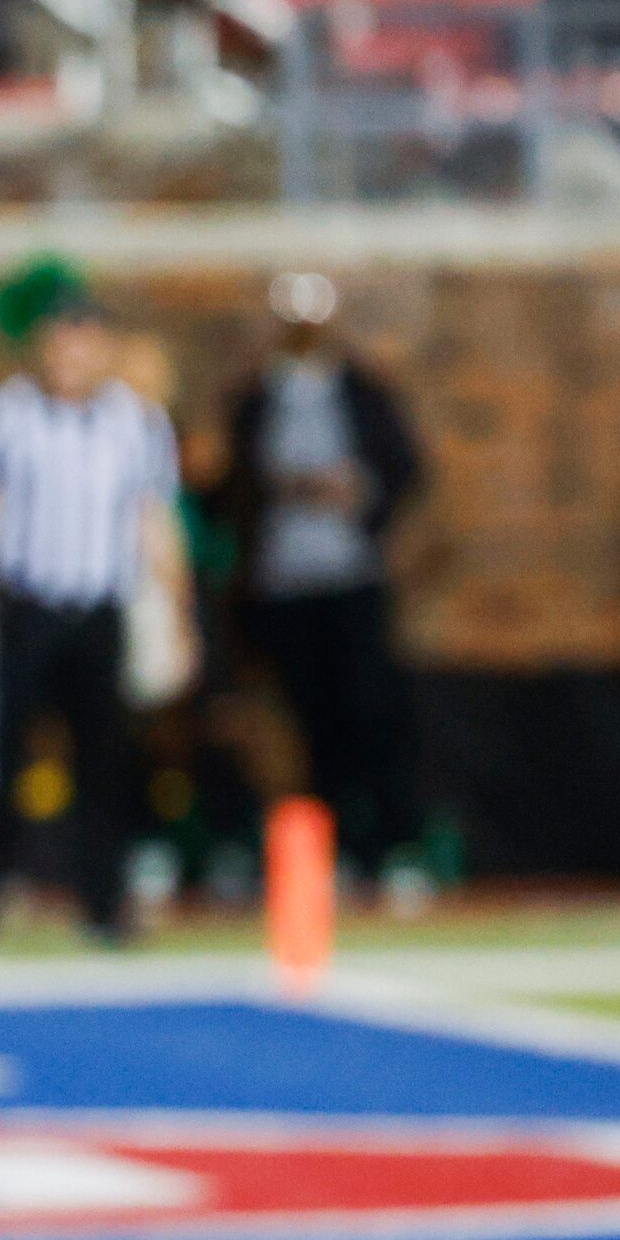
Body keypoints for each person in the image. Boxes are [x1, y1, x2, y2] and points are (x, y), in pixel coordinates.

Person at [0, 277, 193, 945]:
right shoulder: (4, 416)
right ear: (45, 349)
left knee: (104, 763)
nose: (75, 357)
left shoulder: (136, 424)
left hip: (98, 608)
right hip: (27, 605)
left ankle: (104, 904)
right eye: (64, 343)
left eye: (87, 343)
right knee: (6, 757)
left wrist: (179, 609)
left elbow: (154, 522)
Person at [219, 272, 428, 891]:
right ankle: (327, 852)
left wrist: (359, 492)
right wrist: (281, 490)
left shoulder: (361, 390)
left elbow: (404, 467)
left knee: (369, 713)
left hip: (351, 579)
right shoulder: (258, 398)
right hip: (285, 586)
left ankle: (392, 848)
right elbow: (235, 485)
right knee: (305, 725)